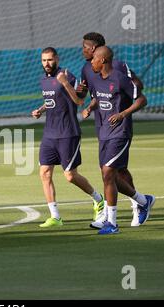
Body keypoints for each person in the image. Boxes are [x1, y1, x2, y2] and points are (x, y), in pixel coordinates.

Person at [76, 32, 147, 228]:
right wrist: (86, 101)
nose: (82, 50)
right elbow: (90, 95)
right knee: (108, 173)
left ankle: (131, 209)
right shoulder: (87, 69)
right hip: (102, 126)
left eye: (85, 47)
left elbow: (137, 90)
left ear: (95, 50)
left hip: (120, 129)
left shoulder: (118, 68)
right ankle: (135, 203)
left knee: (115, 171)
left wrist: (123, 107)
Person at [31, 47, 104, 228]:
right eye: (43, 60)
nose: (46, 64)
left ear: (57, 58)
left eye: (49, 60)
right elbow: (53, 101)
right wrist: (41, 109)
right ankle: (55, 216)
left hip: (68, 133)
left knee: (70, 176)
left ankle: (98, 199)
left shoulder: (68, 76)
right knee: (44, 173)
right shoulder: (44, 80)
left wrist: (64, 83)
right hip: (49, 134)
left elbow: (79, 101)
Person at [88, 46, 155, 235]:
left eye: (93, 59)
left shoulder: (120, 79)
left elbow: (142, 100)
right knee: (110, 176)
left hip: (120, 132)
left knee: (109, 172)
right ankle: (143, 201)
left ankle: (111, 222)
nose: (91, 62)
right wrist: (89, 108)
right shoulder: (95, 79)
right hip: (104, 133)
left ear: (102, 60)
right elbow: (96, 100)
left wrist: (123, 114)